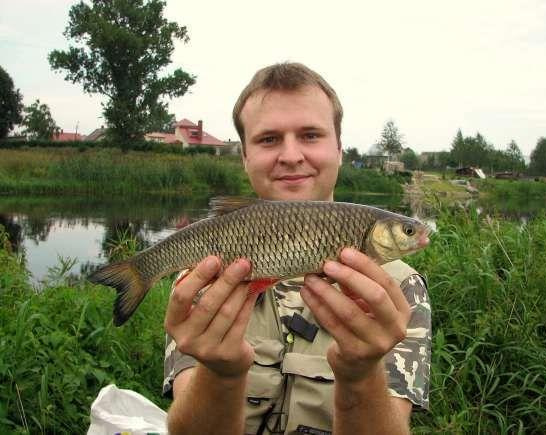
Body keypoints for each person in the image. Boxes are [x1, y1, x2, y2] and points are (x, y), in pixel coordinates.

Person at [163, 63, 431, 434]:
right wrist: (220, 375)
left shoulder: (401, 288)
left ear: (339, 149)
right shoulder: (204, 276)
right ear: (244, 156)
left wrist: (359, 376)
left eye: (310, 135)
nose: (290, 155)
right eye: (269, 139)